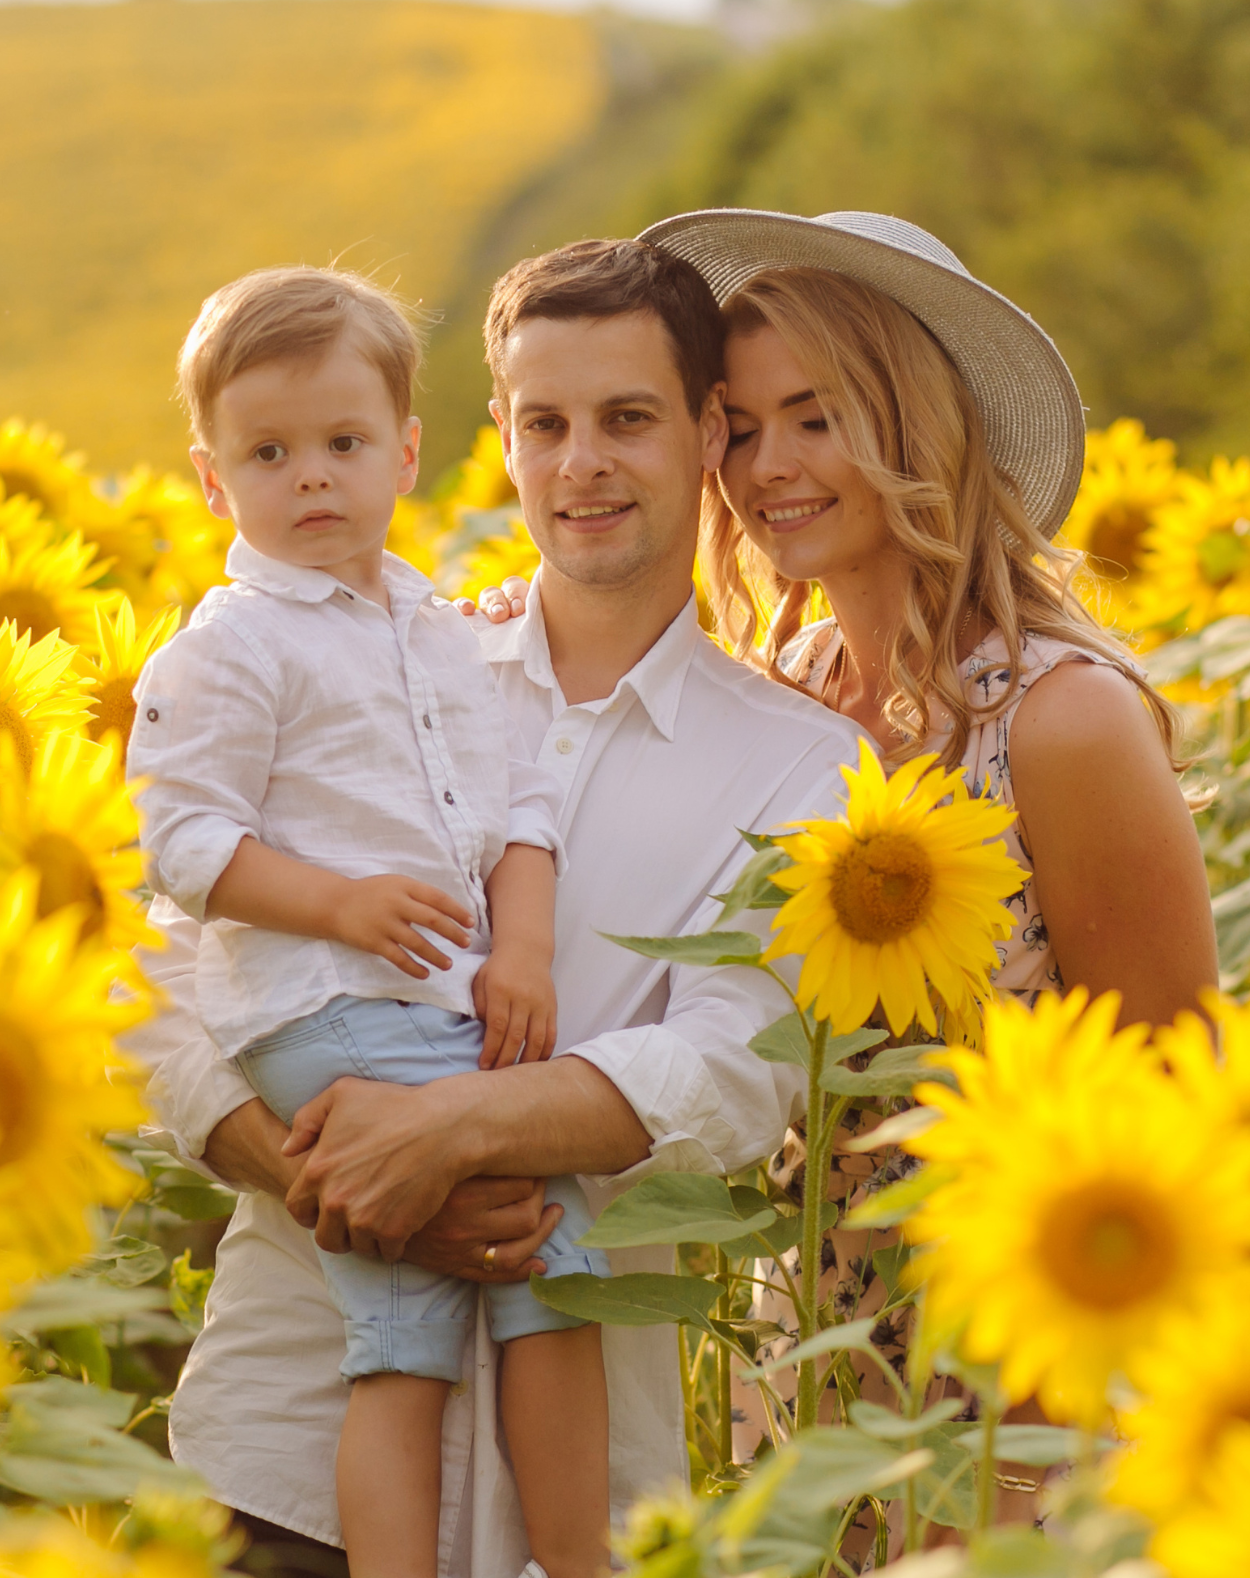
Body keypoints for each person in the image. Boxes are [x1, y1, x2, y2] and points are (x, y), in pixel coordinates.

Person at [473, 210, 1219, 1549]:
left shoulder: (1058, 719)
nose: (768, 468)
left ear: (910, 424)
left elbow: (1177, 1107)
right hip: (814, 1364)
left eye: (815, 418)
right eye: (742, 428)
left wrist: (1041, 1434)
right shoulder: (798, 699)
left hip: (1023, 1377)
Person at [126, 238, 865, 1577]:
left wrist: (451, 1129)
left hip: (566, 1516)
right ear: (495, 445)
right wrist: (333, 1177)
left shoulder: (799, 764)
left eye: (627, 419)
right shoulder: (375, 664)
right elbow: (161, 981)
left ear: (706, 433)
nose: (580, 461)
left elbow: (732, 1065)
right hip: (283, 1461)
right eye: (546, 423)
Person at [127, 265, 612, 1578]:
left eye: (342, 444)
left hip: (425, 997)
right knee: (507, 1271)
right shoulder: (228, 646)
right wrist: (336, 898)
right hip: (321, 1002)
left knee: (466, 1301)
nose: (312, 478)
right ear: (213, 480)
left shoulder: (444, 633)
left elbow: (523, 806)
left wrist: (516, 948)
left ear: (404, 451)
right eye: (269, 453)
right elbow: (182, 843)